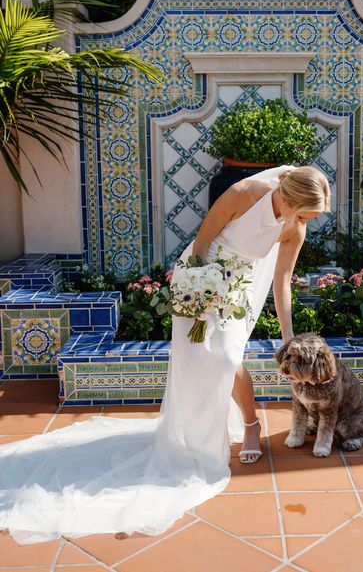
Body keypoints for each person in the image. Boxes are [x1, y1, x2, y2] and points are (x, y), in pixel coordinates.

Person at [0, 165, 330, 545]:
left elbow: (282, 280)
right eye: (306, 214)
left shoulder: (295, 227)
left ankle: (250, 425)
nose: (308, 223)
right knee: (193, 360)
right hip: (201, 275)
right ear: (289, 199)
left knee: (226, 358)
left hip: (238, 287)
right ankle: (191, 432)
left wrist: (287, 337)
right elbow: (203, 241)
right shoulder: (245, 192)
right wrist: (204, 286)